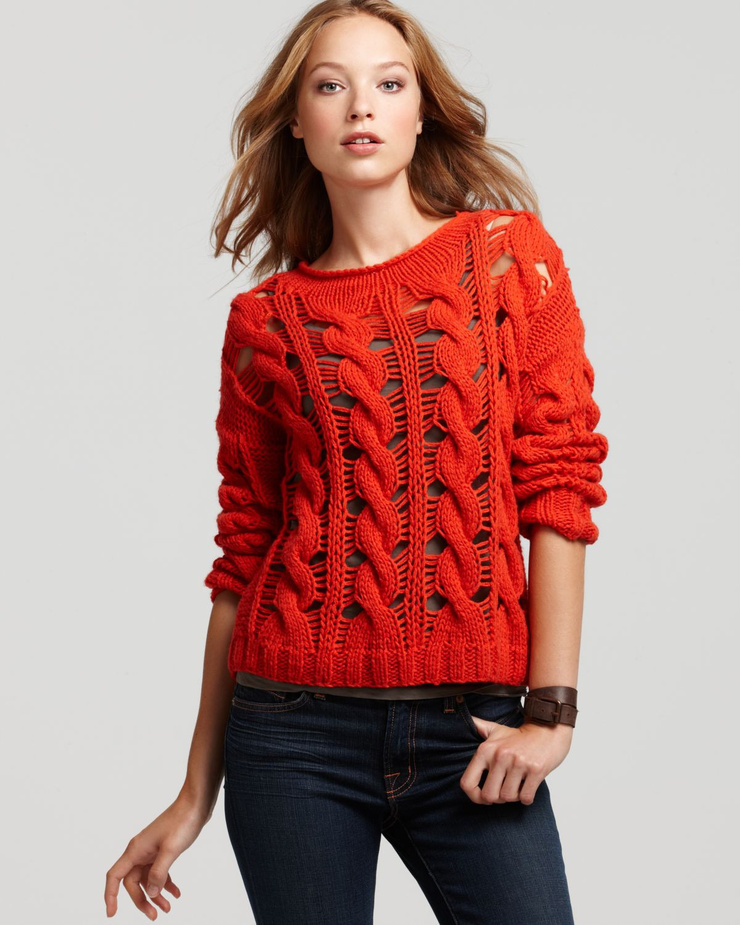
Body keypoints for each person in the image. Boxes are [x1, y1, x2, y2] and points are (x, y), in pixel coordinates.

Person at [104, 1, 609, 922]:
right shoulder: (264, 325)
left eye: (389, 82)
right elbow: (244, 555)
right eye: (331, 86)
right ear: (299, 122)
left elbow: (560, 484)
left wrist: (551, 710)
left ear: (422, 112)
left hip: (472, 725)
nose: (361, 106)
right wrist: (193, 792)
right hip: (290, 733)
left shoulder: (509, 262)